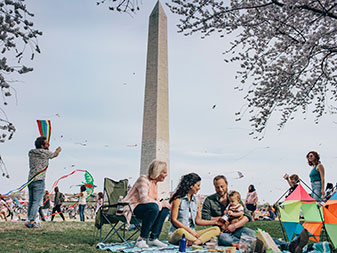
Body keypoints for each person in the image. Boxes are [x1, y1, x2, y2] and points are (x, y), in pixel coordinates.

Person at [202, 175, 309, 252]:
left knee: (257, 235)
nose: (220, 189)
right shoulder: (209, 200)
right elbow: (205, 219)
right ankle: (255, 245)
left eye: (222, 186)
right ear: (214, 186)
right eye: (217, 187)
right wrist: (219, 219)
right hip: (222, 232)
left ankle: (290, 245)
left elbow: (247, 216)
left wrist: (235, 225)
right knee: (223, 239)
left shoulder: (234, 197)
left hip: (238, 228)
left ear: (226, 185)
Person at [122, 160, 170, 248]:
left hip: (145, 208)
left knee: (165, 208)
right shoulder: (143, 179)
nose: (166, 175)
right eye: (164, 172)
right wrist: (160, 204)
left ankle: (153, 238)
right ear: (157, 172)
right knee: (154, 207)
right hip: (132, 207)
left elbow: (154, 200)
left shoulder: (155, 183)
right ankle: (141, 239)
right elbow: (144, 199)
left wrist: (163, 204)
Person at [168, 173, 220, 245]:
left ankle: (195, 242)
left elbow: (198, 221)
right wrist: (189, 230)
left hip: (192, 234)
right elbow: (174, 220)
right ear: (191, 186)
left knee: (216, 229)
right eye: (198, 185)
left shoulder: (197, 201)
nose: (199, 188)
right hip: (177, 233)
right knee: (181, 231)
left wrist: (215, 222)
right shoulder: (178, 200)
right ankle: (200, 240)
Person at [26, 136, 61, 228]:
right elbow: (54, 155)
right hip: (39, 180)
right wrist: (58, 150)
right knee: (37, 202)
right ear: (42, 145)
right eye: (47, 144)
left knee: (31, 201)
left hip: (30, 180)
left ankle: (29, 219)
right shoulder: (44, 153)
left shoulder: (31, 152)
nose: (49, 145)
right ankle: (32, 221)